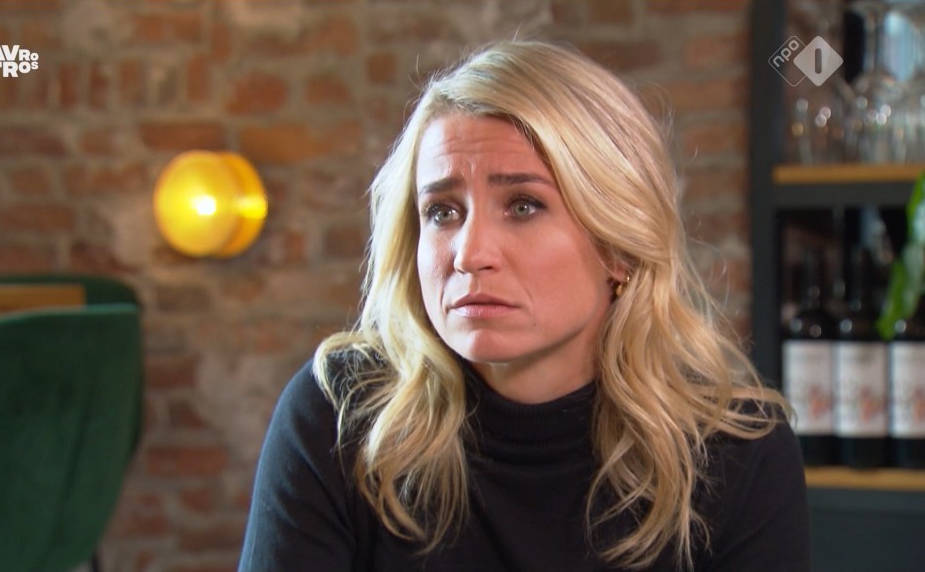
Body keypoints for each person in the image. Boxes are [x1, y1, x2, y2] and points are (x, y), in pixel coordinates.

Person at [237, 39, 810, 572]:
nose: (470, 254)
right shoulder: (340, 417)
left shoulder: (737, 456)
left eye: (523, 206)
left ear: (619, 248)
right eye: (442, 212)